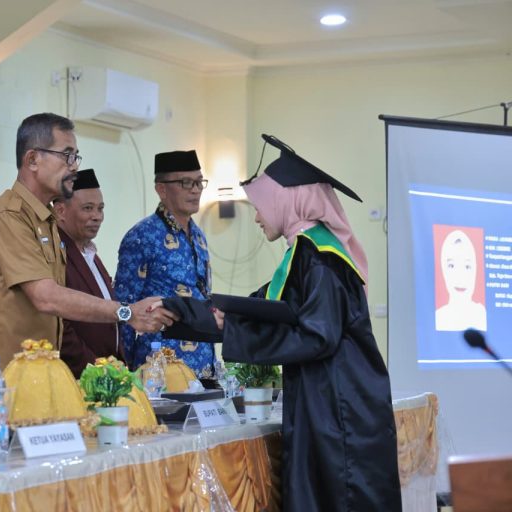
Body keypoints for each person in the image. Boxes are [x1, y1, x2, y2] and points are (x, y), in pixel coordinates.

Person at [162, 135, 402, 511]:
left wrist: (233, 328)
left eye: (261, 206)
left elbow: (316, 336)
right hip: (329, 402)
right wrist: (171, 313)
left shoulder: (320, 258)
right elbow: (257, 307)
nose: (257, 216)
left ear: (288, 200)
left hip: (340, 412)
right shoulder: (305, 254)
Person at [0, 113, 174, 427]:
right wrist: (127, 312)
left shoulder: (45, 222)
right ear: (32, 159)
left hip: (40, 390)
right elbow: (46, 298)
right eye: (67, 155)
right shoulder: (7, 218)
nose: (74, 165)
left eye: (76, 156)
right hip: (1, 391)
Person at [114, 150, 215, 378]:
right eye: (186, 182)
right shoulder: (141, 236)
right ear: (161, 189)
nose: (195, 189)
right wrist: (126, 371)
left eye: (199, 182)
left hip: (204, 364)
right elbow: (124, 306)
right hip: (160, 367)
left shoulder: (199, 236)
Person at [53, 169, 125, 378]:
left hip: (109, 376)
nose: (97, 217)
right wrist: (97, 372)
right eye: (88, 208)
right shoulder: (56, 254)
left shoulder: (90, 253)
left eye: (100, 208)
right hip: (80, 378)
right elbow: (60, 326)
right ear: (60, 211)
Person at [435, 229, 486, 331]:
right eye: (452, 266)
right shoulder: (439, 317)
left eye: (467, 267)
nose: (460, 276)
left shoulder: (481, 314)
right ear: (443, 269)